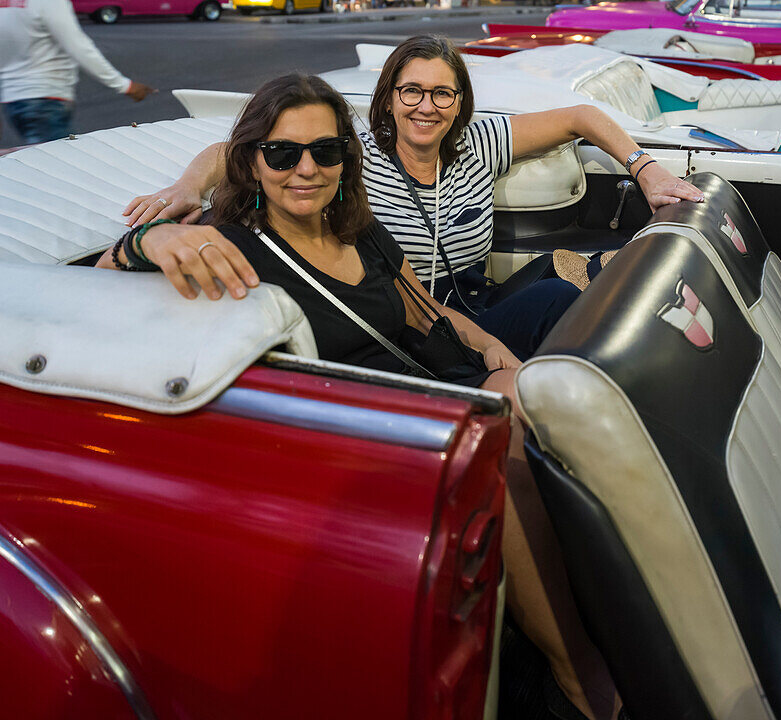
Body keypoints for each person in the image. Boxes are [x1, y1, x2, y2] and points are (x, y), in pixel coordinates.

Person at [101, 72, 628, 720]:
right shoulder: (234, 244)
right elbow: (105, 280)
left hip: (446, 378)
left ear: (345, 161)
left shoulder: (359, 229)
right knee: (513, 427)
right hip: (384, 423)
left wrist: (489, 346)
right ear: (253, 160)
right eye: (282, 152)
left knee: (552, 392)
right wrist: (151, 238)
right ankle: (576, 669)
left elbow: (426, 307)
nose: (305, 168)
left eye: (325, 152)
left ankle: (611, 602)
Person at [124, 35, 704, 363]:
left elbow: (582, 115)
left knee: (594, 279)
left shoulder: (481, 140)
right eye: (411, 91)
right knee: (556, 296)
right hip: (401, 314)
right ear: (389, 98)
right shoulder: (347, 155)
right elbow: (239, 150)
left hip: (469, 302)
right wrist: (184, 192)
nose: (426, 107)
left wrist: (648, 172)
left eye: (442, 94)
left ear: (459, 103)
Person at [0, 0, 153, 144]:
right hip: (46, 101)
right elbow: (80, 48)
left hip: (12, 105)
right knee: (57, 171)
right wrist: (123, 85)